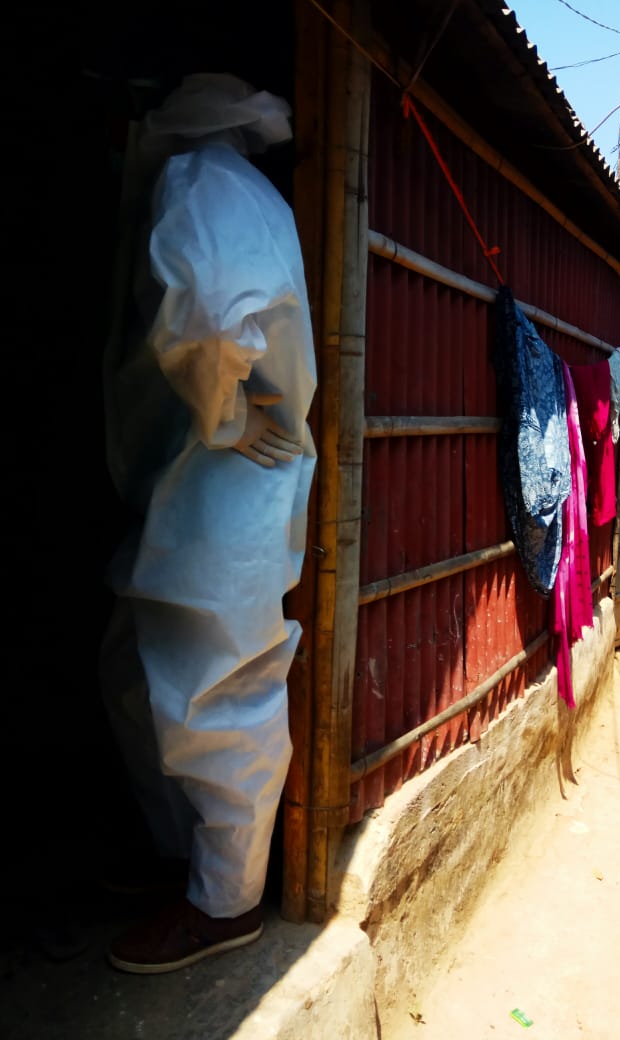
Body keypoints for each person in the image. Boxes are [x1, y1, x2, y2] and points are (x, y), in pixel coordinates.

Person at [99, 74, 317, 974]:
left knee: (214, 692)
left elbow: (214, 319)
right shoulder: (246, 187)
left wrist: (225, 416)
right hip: (214, 488)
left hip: (224, 484)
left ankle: (222, 902)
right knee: (168, 681)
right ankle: (190, 868)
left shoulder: (198, 181)